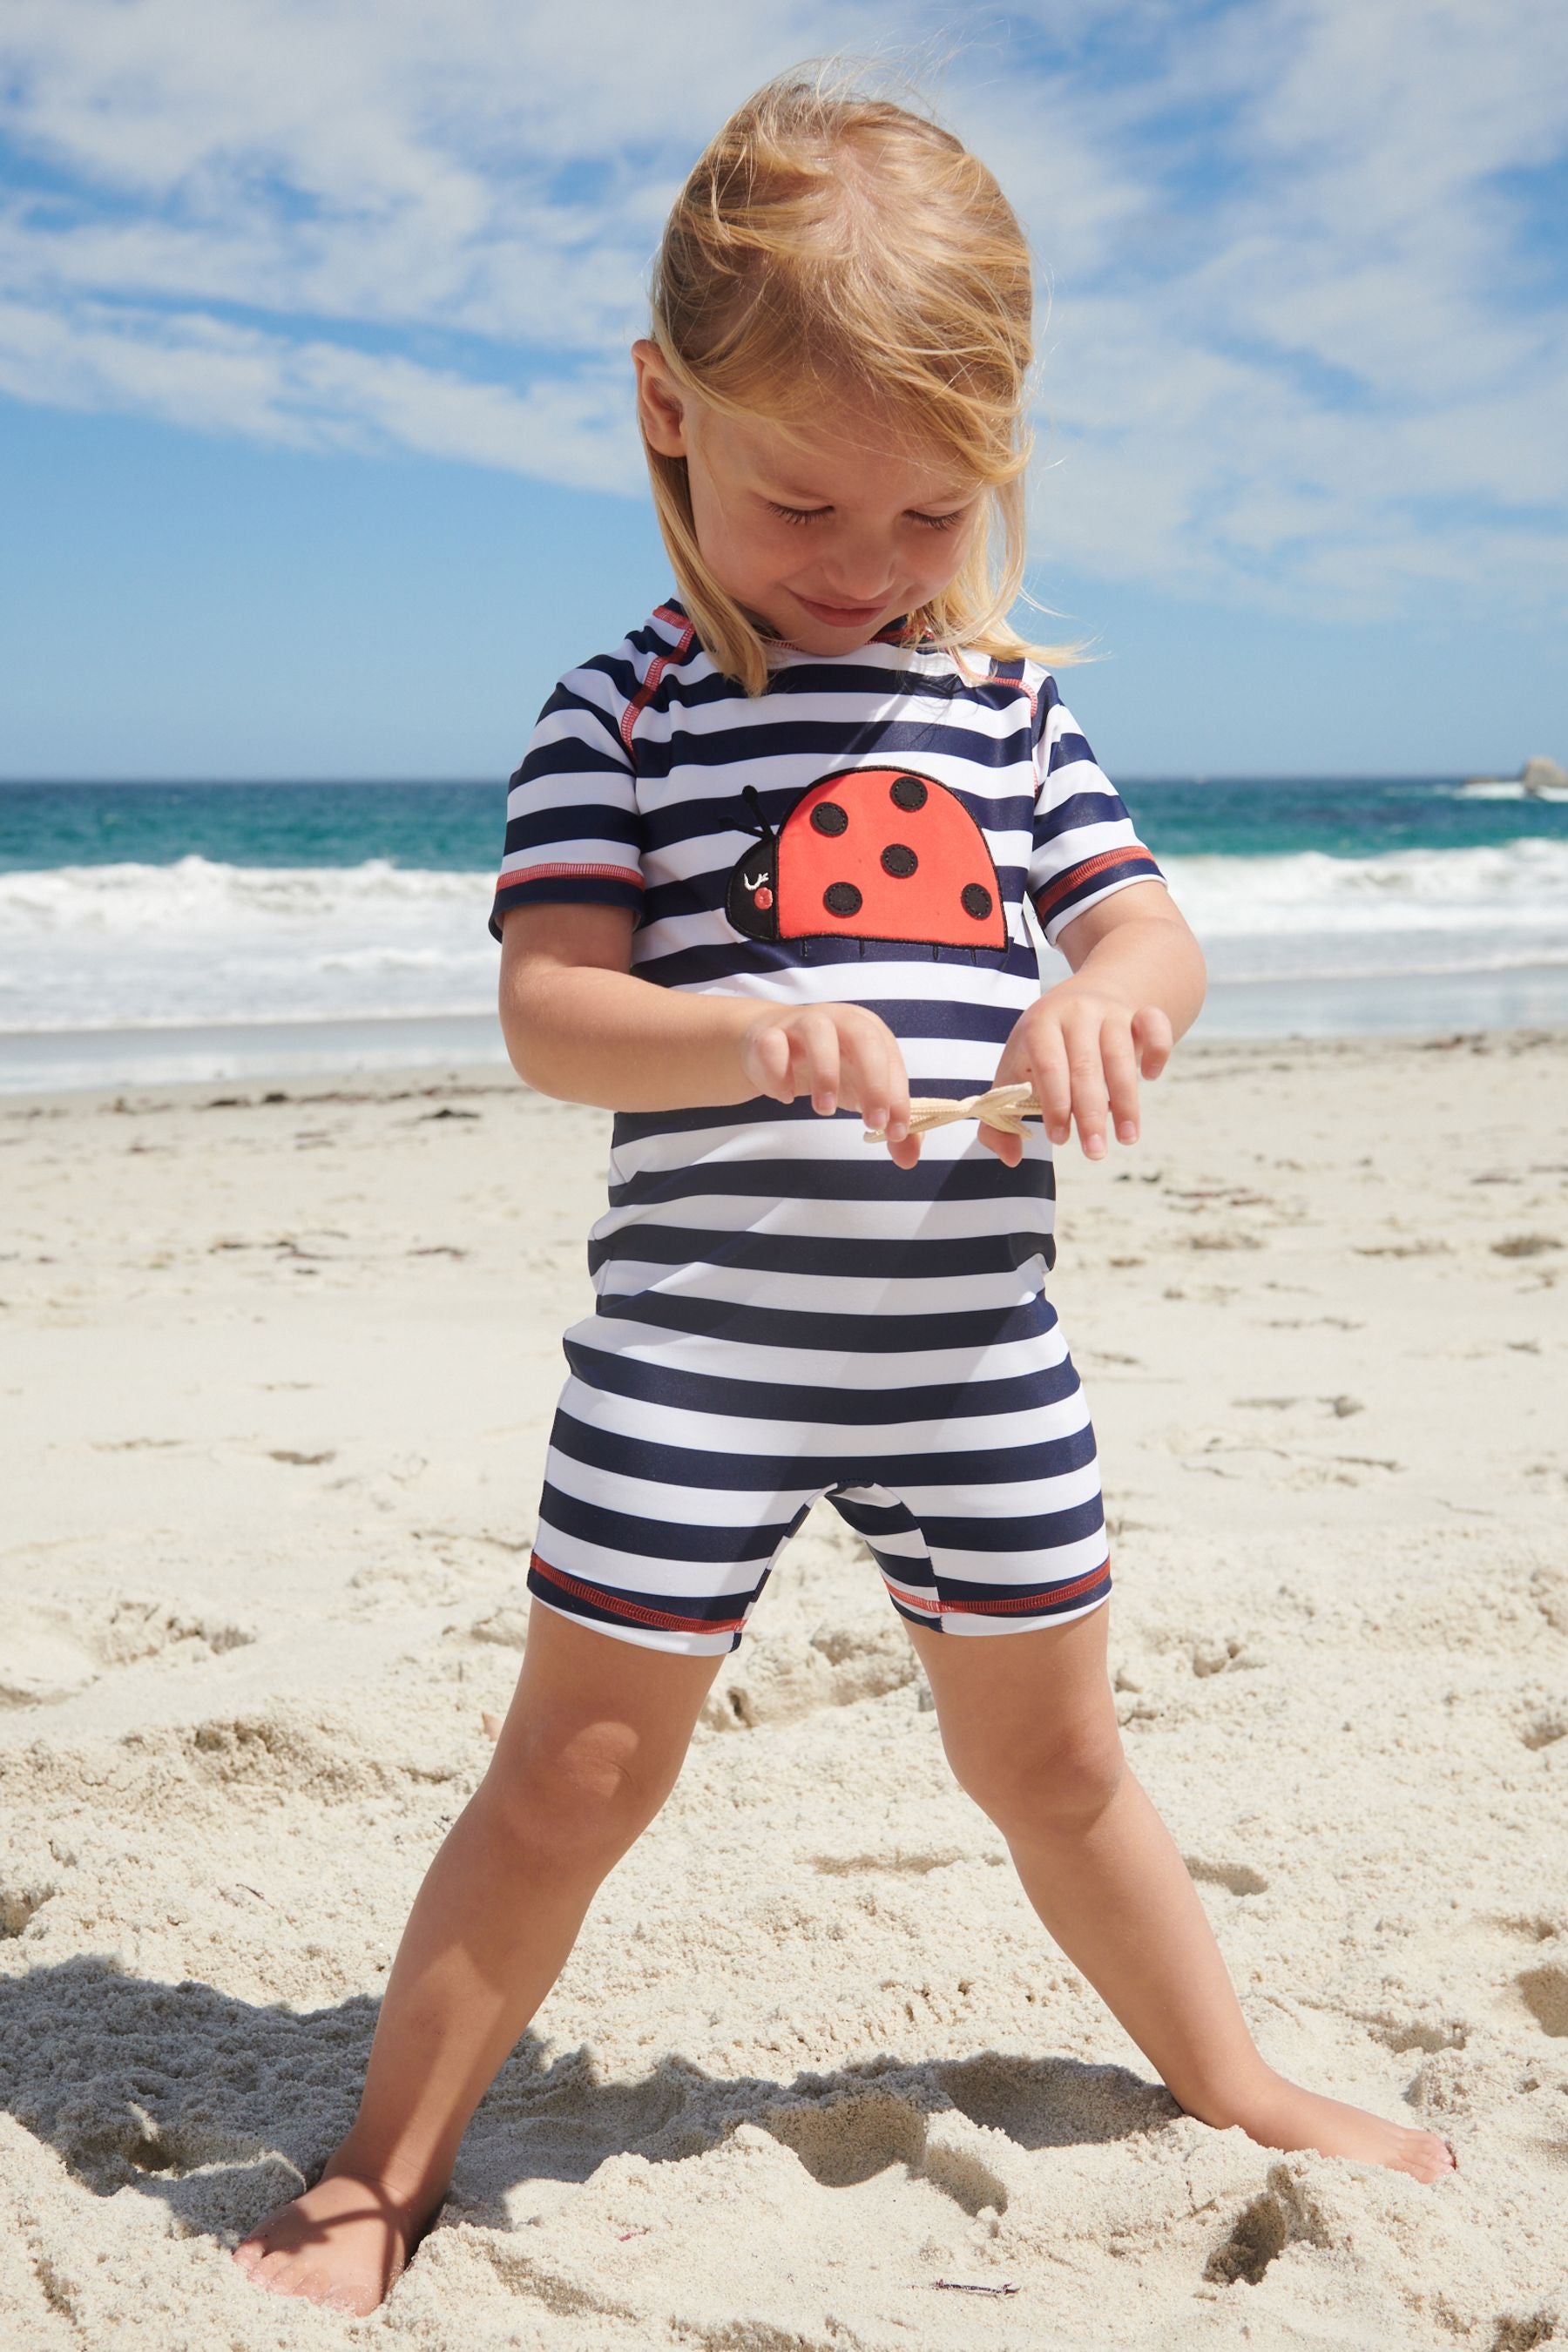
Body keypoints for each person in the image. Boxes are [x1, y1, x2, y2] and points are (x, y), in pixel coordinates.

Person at [233, 64, 1455, 2319]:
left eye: (931, 513)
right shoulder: (627, 709)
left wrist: (1117, 998)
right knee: (573, 1768)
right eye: (810, 498)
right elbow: (545, 1007)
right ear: (665, 409)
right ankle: (374, 2170)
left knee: (1060, 1758)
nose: (869, 565)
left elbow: (1149, 928)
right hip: (695, 1349)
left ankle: (1238, 2073)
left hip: (975, 1350)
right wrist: (741, 1031)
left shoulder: (1005, 712)